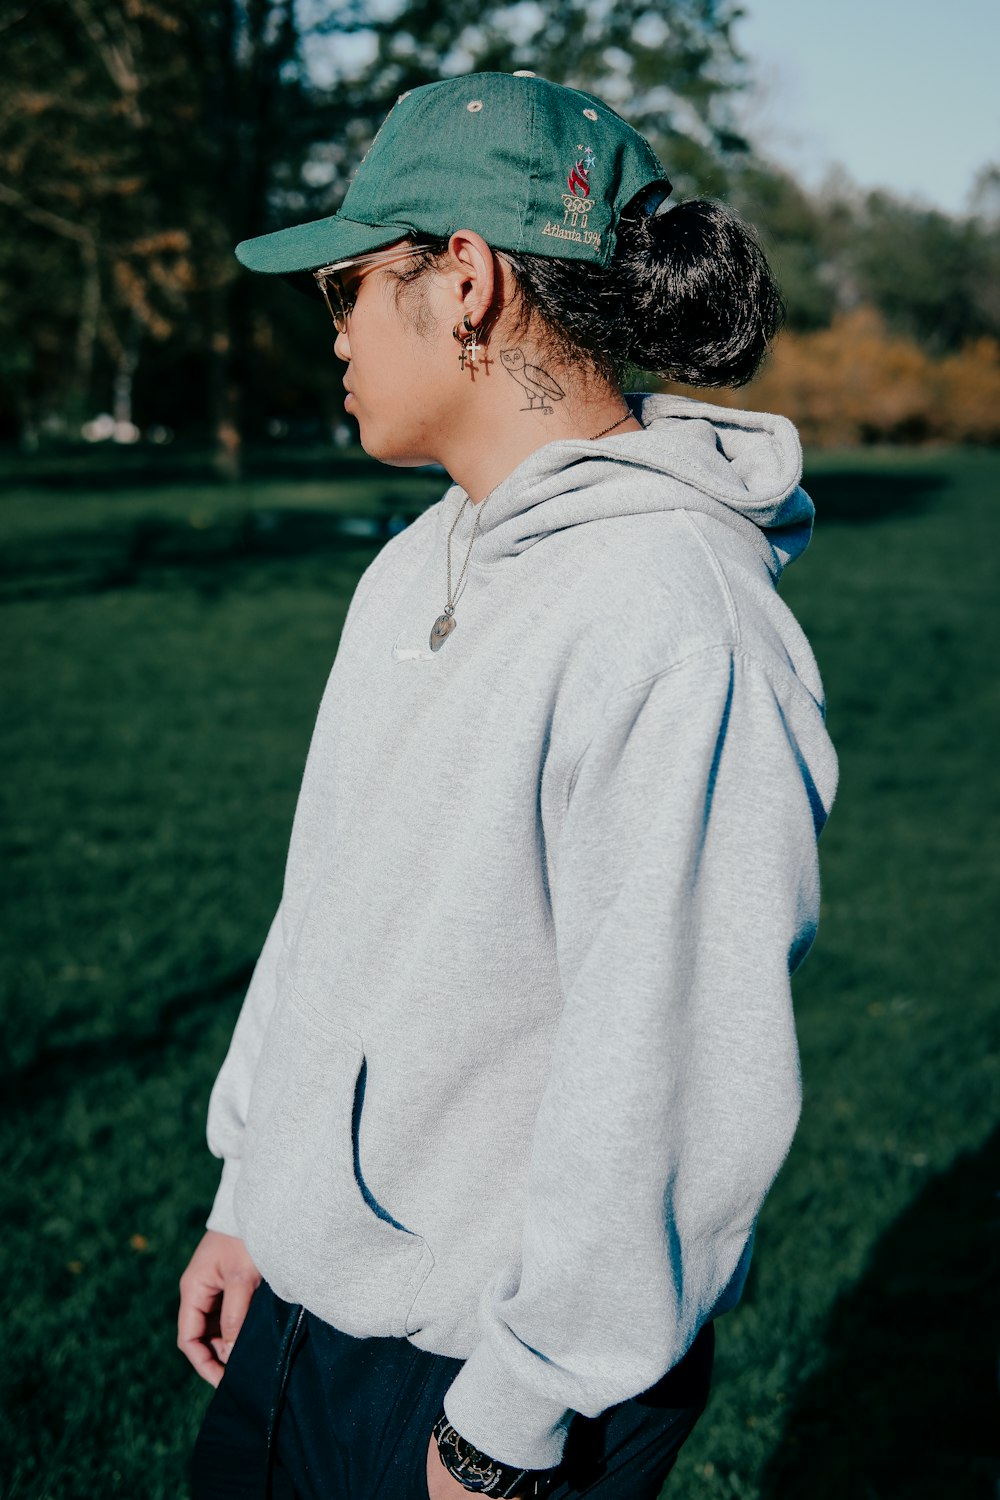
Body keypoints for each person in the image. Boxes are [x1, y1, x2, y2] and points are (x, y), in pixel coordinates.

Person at [178, 70, 839, 1500]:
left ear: (464, 283)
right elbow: (327, 912)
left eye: (348, 286)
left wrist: (510, 1425)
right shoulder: (417, 559)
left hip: (488, 1385)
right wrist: (252, 1202)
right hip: (300, 1311)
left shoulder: (674, 618)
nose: (336, 329)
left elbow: (673, 1069)